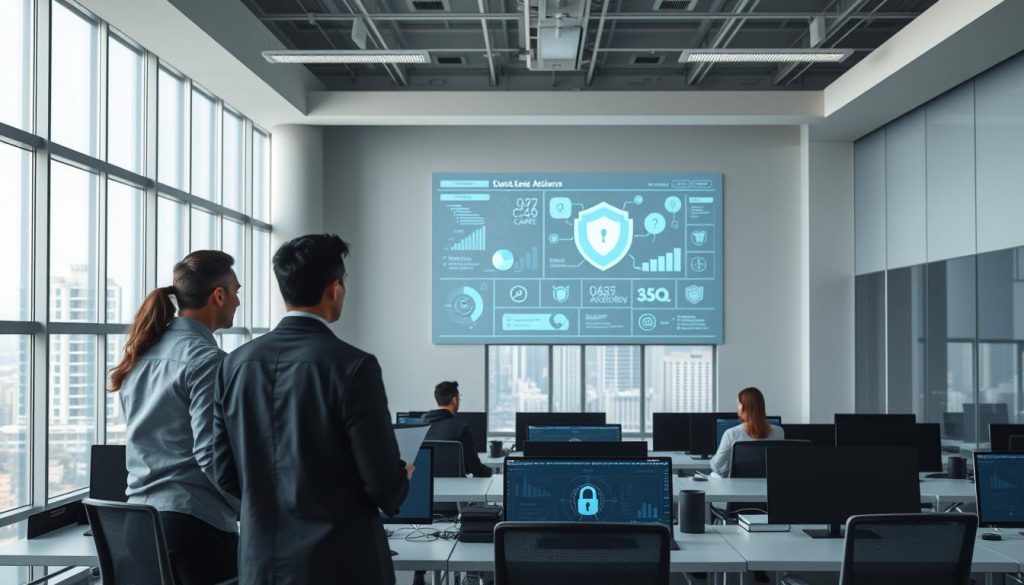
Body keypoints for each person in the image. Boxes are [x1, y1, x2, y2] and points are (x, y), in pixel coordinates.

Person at [213, 234, 412, 585]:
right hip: (339, 564)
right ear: (334, 289)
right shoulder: (353, 367)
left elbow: (224, 470)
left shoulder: (234, 365)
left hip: (261, 564)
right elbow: (381, 484)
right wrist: (402, 478)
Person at [108, 251, 241, 585]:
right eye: (236, 291)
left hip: (140, 526)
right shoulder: (206, 360)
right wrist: (246, 509)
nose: (238, 301)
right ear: (218, 295)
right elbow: (210, 453)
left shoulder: (142, 354)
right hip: (193, 524)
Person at [421, 381, 493, 478]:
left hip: (426, 487)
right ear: (454, 399)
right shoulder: (460, 429)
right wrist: (491, 472)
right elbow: (475, 469)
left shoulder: (419, 425)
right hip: (456, 489)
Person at [710, 387, 784, 477]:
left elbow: (717, 467)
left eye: (738, 403)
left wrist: (714, 458)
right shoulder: (779, 432)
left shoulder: (732, 433)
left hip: (737, 486)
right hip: (766, 484)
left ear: (741, 406)